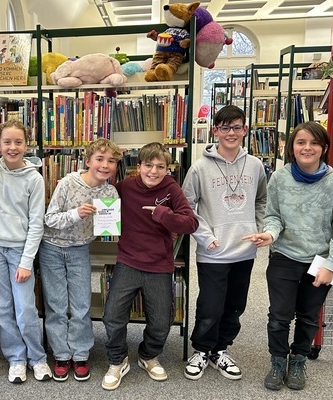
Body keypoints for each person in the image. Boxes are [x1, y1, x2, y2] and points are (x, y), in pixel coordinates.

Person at [244, 121, 333, 391]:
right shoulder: (279, 178)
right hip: (285, 256)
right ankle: (278, 360)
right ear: (291, 147)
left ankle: (299, 360)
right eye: (301, 142)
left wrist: (331, 265)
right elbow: (273, 216)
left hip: (320, 262)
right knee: (279, 317)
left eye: (314, 143)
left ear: (324, 147)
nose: (307, 148)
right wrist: (270, 234)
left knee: (308, 317)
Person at [101, 142, 199, 391]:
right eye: (148, 165)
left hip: (159, 265)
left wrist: (164, 215)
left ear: (168, 168)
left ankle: (148, 355)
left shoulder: (172, 189)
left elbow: (191, 224)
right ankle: (117, 360)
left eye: (160, 166)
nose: (154, 171)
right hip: (128, 261)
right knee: (112, 315)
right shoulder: (125, 187)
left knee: (162, 321)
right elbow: (102, 197)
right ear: (138, 166)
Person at [181, 105, 267, 381]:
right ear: (215, 130)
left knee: (235, 305)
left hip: (245, 250)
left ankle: (220, 350)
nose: (231, 133)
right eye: (225, 127)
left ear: (245, 130)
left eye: (237, 127)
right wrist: (206, 237)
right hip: (213, 251)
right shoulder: (199, 168)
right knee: (210, 305)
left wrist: (258, 228)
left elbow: (262, 200)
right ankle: (201, 350)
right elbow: (186, 206)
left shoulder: (255, 166)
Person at [40, 138, 122, 382]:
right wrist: (76, 214)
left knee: (81, 304)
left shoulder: (110, 192)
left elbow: (108, 227)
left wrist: (111, 223)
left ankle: (80, 354)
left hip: (79, 250)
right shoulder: (68, 183)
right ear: (87, 161)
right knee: (56, 304)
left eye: (111, 161)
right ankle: (61, 354)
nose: (105, 165)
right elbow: (49, 219)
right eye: (100, 159)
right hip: (52, 248)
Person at [0, 119, 52, 384]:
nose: (12, 147)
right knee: (2, 308)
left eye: (18, 142)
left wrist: (26, 261)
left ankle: (37, 357)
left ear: (26, 145)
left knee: (25, 308)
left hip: (20, 250)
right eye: (7, 142)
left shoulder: (34, 178)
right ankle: (16, 358)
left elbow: (36, 223)